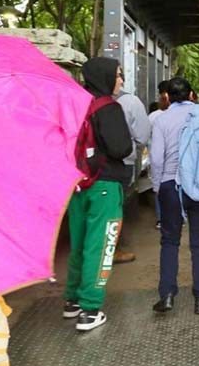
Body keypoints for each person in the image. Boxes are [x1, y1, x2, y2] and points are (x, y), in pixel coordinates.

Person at [63, 57, 133, 332]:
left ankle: (72, 301)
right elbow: (121, 148)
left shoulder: (75, 104)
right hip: (105, 186)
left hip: (79, 185)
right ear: (105, 77)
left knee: (79, 243)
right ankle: (90, 310)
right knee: (100, 246)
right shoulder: (108, 107)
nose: (121, 80)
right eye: (118, 75)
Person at [149, 77, 199, 316]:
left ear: (167, 97)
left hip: (171, 186)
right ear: (192, 94)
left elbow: (157, 159)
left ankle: (167, 295)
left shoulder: (161, 120)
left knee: (170, 241)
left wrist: (158, 187)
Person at [114, 87, 151, 263]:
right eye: (118, 75)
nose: (121, 80)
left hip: (90, 167)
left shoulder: (84, 98)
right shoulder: (129, 101)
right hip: (122, 163)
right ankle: (113, 249)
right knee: (116, 206)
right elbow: (142, 136)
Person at [148, 80, 170, 230]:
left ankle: (161, 219)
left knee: (158, 188)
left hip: (157, 160)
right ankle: (178, 217)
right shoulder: (183, 115)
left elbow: (143, 135)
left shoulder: (153, 116)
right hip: (175, 161)